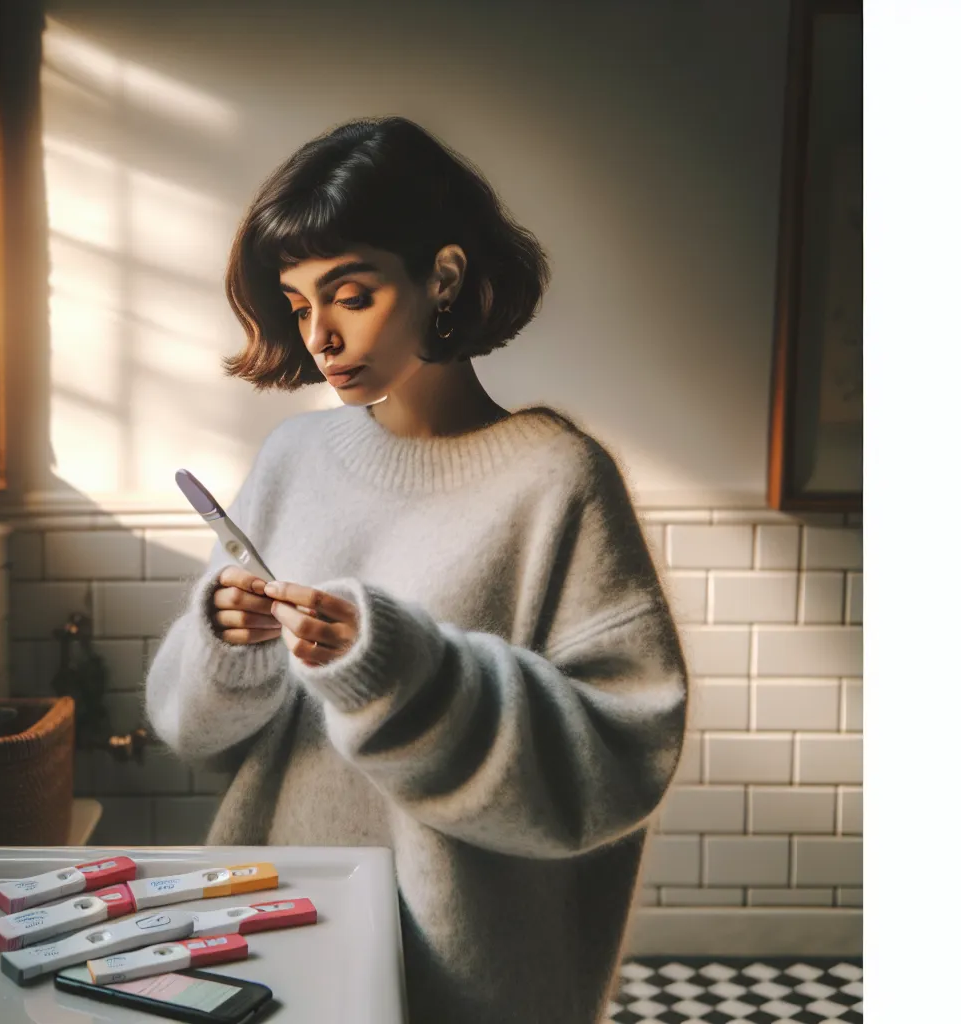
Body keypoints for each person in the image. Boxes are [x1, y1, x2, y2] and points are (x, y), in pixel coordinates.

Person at [144, 115, 688, 1024]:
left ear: (442, 276)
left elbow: (626, 756)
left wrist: (404, 671)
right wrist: (228, 645)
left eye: (350, 295)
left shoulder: (557, 479)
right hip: (279, 936)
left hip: (472, 971)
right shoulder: (293, 458)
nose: (318, 334)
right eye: (298, 302)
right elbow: (197, 736)